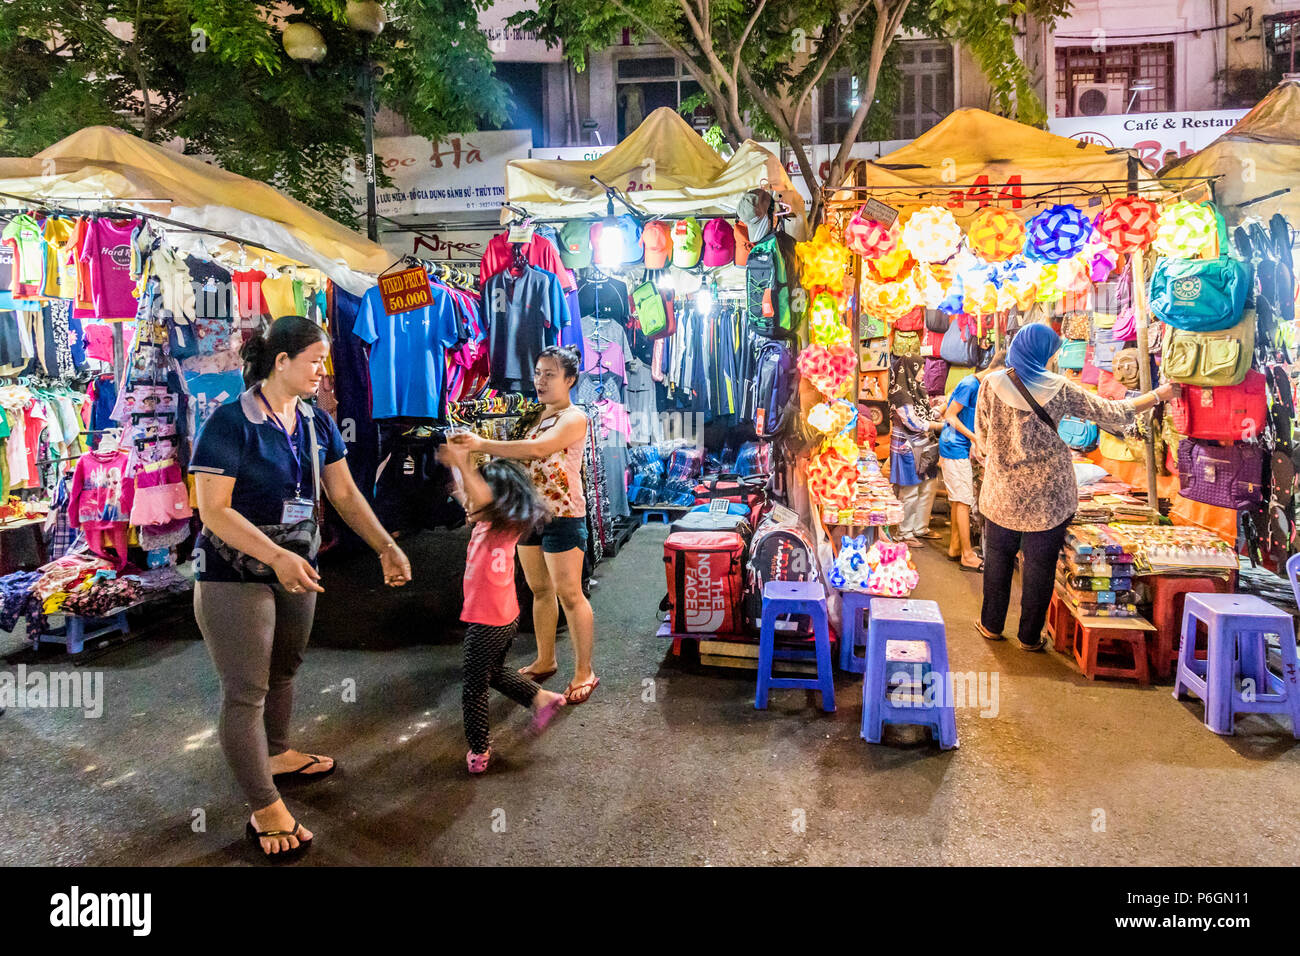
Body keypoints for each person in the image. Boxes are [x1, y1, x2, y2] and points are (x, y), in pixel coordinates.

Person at [191, 315, 412, 861]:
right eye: (314, 360)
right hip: (233, 575)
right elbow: (212, 510)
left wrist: (385, 545)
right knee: (246, 690)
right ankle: (264, 806)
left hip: (296, 565)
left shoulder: (315, 420)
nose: (322, 371)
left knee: (285, 668)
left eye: (324, 361)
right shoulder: (229, 421)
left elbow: (344, 494)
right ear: (281, 362)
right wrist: (275, 556)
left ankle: (279, 752)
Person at [974, 323, 1176, 650]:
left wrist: (999, 456)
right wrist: (1157, 396)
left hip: (1002, 492)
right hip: (1049, 497)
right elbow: (1111, 411)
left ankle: (991, 625)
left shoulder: (991, 384)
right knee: (1038, 568)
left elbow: (982, 436)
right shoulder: (1060, 387)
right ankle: (1029, 637)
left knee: (997, 560)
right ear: (1043, 352)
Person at [448, 345, 599, 705]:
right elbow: (517, 460)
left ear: (570, 380)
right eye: (538, 372)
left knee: (570, 594)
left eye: (550, 374)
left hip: (563, 515)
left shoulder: (574, 417)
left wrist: (482, 442)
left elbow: (537, 450)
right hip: (528, 516)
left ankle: (585, 671)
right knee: (540, 590)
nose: (541, 380)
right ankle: (545, 659)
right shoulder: (533, 416)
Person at [435, 443, 568, 773]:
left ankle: (479, 750)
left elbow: (477, 497)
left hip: (489, 621)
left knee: (474, 686)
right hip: (503, 617)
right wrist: (457, 470)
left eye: (481, 489)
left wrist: (463, 463)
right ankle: (541, 699)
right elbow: (468, 496)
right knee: (492, 672)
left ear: (498, 499)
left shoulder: (502, 523)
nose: (471, 500)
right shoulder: (496, 523)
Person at [939, 350, 1006, 572]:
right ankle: (967, 556)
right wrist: (975, 438)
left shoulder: (980, 386)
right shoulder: (970, 384)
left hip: (959, 446)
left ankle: (956, 548)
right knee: (963, 500)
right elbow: (949, 415)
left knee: (960, 499)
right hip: (954, 446)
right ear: (998, 369)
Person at [889, 356, 944, 543]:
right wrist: (938, 426)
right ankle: (904, 532)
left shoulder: (918, 391)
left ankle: (920, 527)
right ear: (909, 370)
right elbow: (913, 422)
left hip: (924, 449)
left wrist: (943, 408)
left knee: (928, 487)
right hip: (907, 449)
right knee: (910, 491)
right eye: (919, 369)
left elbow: (927, 413)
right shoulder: (900, 394)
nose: (923, 372)